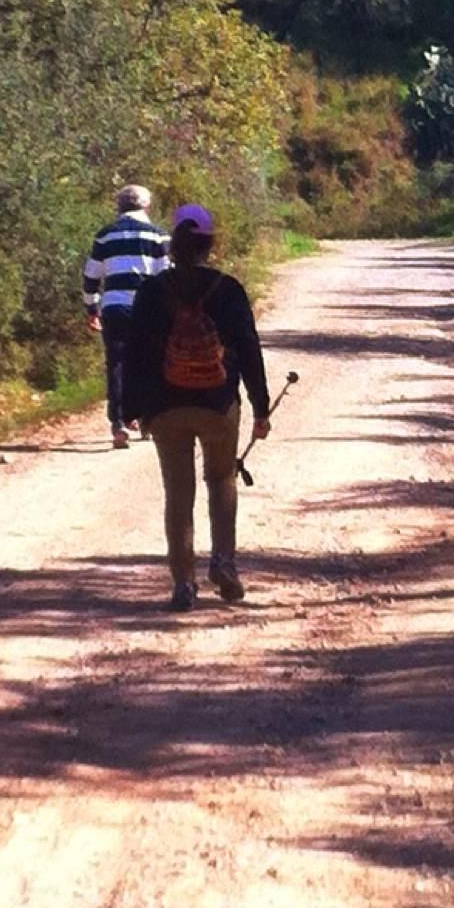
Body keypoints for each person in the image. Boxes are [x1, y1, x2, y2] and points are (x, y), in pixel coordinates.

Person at [118, 201, 271, 609]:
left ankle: (183, 583)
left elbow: (132, 353)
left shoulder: (152, 292)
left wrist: (127, 407)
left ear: (173, 246)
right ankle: (224, 562)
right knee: (221, 480)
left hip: (165, 406)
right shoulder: (228, 290)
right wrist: (260, 406)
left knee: (178, 492)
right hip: (218, 404)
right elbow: (249, 350)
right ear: (210, 244)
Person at [80, 180, 170, 446]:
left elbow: (91, 275)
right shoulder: (158, 236)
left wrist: (91, 307)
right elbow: (166, 275)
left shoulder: (105, 236)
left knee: (117, 363)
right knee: (149, 363)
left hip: (115, 307)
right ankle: (145, 419)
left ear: (119, 207)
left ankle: (119, 423)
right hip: (147, 308)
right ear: (147, 206)